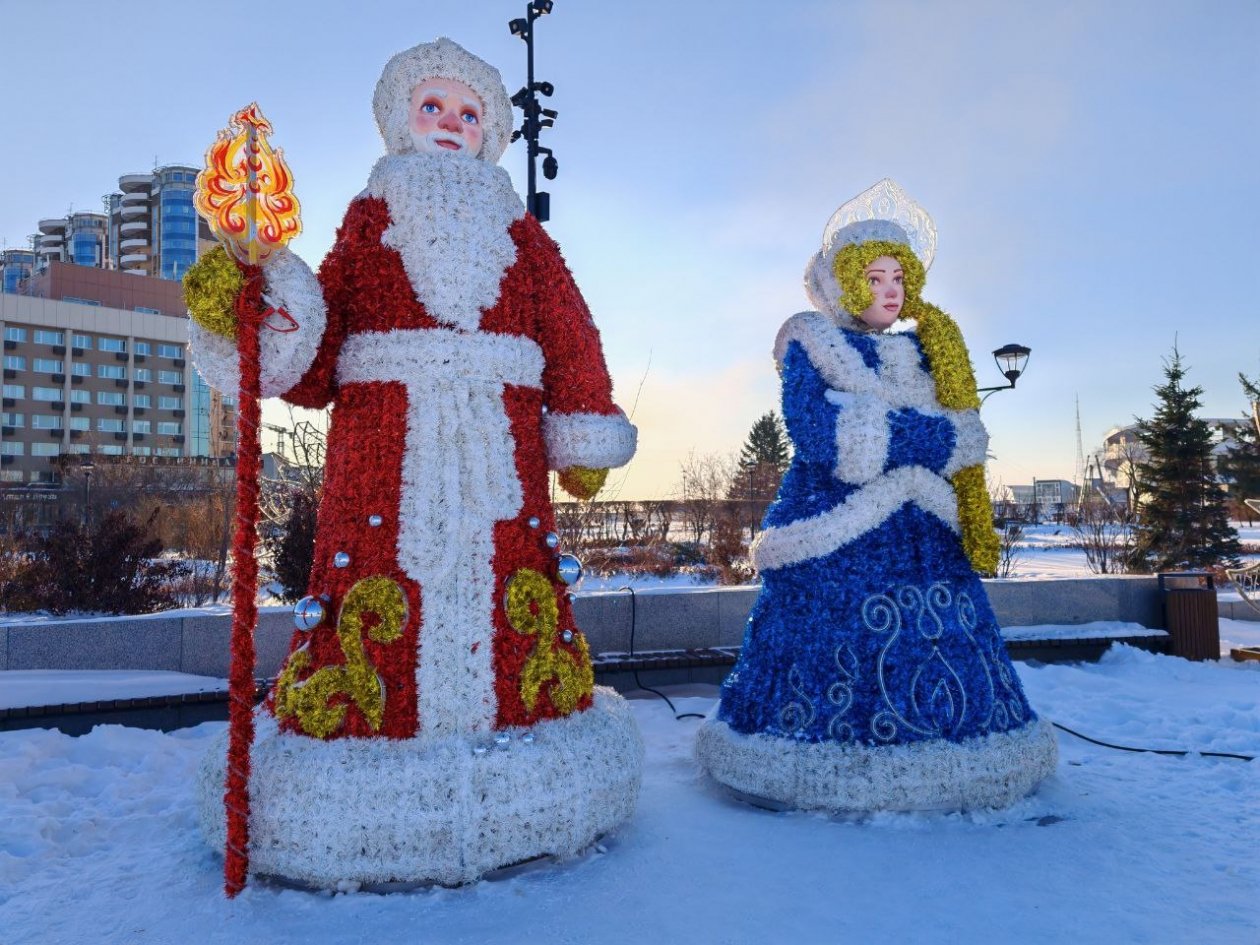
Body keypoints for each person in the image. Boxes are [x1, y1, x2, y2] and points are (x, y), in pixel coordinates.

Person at [186, 38, 642, 888]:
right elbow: (319, 353)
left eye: (469, 113)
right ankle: (371, 720)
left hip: (502, 447)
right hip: (382, 449)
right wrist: (264, 303)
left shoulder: (522, 231)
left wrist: (583, 424)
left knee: (508, 576)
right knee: (380, 575)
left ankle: (511, 717)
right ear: (401, 119)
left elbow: (568, 326)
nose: (450, 123)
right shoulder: (371, 217)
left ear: (491, 132)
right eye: (433, 106)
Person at [695, 180, 1057, 812]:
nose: (890, 290)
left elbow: (966, 436)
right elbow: (822, 435)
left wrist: (892, 430)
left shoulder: (930, 351)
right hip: (832, 529)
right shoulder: (811, 341)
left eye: (899, 277)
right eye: (875, 277)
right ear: (843, 284)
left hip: (930, 534)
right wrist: (934, 436)